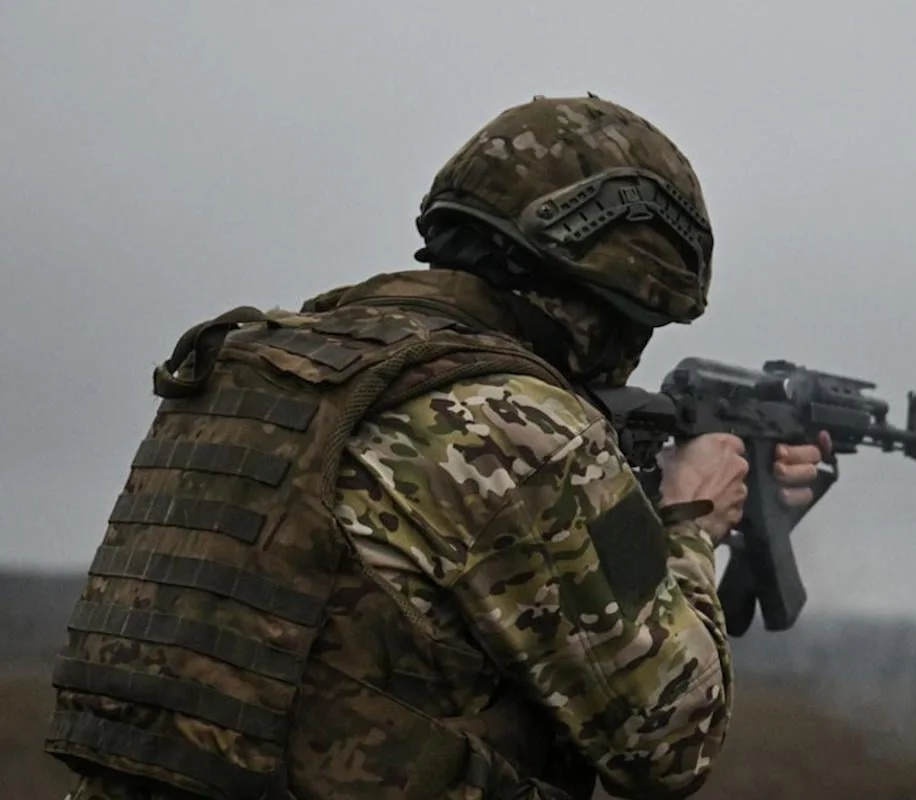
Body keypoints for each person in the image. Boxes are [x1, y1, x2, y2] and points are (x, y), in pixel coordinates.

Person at [46, 94, 832, 800]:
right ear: (618, 299)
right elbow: (670, 742)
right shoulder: (520, 425)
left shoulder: (253, 363)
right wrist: (691, 518)